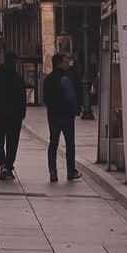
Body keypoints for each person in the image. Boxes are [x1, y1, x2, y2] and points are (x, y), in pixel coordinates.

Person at [0, 52, 27, 180]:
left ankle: (2, 164)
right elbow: (22, 98)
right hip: (14, 116)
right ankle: (8, 165)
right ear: (13, 62)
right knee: (12, 142)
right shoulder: (18, 78)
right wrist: (22, 113)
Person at [43, 53, 81, 182]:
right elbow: (71, 97)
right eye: (65, 62)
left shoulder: (47, 79)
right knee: (70, 144)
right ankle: (71, 171)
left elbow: (45, 99)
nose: (67, 64)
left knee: (53, 143)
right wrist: (75, 110)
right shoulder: (66, 78)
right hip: (66, 116)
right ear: (59, 63)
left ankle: (52, 172)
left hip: (53, 116)